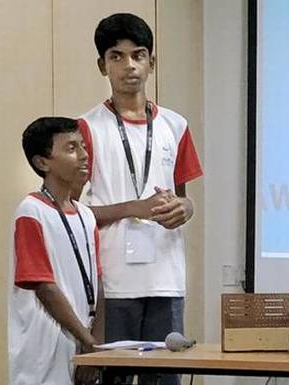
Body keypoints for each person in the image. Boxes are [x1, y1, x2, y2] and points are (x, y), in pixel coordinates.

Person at [78, 13, 203, 385]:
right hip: (113, 282)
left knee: (164, 379)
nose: (129, 65)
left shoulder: (175, 125)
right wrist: (132, 208)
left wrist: (186, 208)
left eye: (138, 55)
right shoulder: (85, 127)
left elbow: (186, 200)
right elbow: (73, 214)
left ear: (152, 62)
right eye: (116, 56)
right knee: (112, 377)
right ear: (102, 65)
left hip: (166, 279)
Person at [9, 117, 103, 385]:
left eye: (83, 146)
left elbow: (99, 284)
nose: (84, 155)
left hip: (84, 345)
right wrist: (88, 343)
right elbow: (45, 288)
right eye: (72, 148)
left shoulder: (86, 215)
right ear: (42, 162)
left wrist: (94, 348)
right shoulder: (31, 211)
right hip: (44, 349)